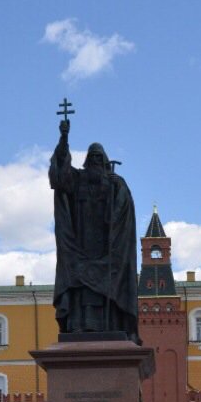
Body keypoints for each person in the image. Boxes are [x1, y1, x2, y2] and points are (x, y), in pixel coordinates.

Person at [49, 117, 139, 341]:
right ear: (87, 160)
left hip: (108, 245)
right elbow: (59, 177)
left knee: (108, 282)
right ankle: (79, 324)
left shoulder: (115, 183)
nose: (96, 162)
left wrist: (117, 193)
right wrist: (64, 139)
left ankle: (111, 324)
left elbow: (124, 210)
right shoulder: (78, 179)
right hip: (80, 244)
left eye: (100, 158)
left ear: (105, 161)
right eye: (92, 158)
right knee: (80, 281)